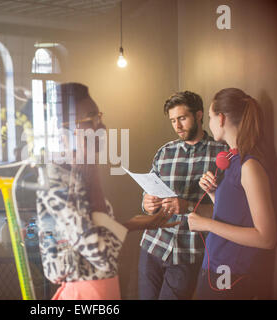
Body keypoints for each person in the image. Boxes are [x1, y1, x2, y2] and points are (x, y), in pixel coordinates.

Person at [35, 83, 179, 300]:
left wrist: (136, 223)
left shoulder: (78, 172)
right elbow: (102, 254)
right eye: (91, 118)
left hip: (105, 291)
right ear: (65, 130)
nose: (101, 126)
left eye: (99, 116)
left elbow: (96, 235)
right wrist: (91, 170)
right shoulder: (56, 181)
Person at [187, 88, 277, 299]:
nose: (207, 123)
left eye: (209, 117)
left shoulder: (250, 166)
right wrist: (212, 193)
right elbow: (236, 213)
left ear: (221, 119)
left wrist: (206, 224)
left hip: (231, 276)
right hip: (214, 267)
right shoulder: (233, 160)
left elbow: (267, 238)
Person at [138, 91, 227, 300]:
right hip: (152, 245)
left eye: (182, 118)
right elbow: (147, 192)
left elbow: (226, 210)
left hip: (188, 252)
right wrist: (147, 202)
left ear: (198, 115)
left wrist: (187, 206)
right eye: (172, 121)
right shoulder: (164, 152)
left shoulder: (221, 154)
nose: (177, 126)